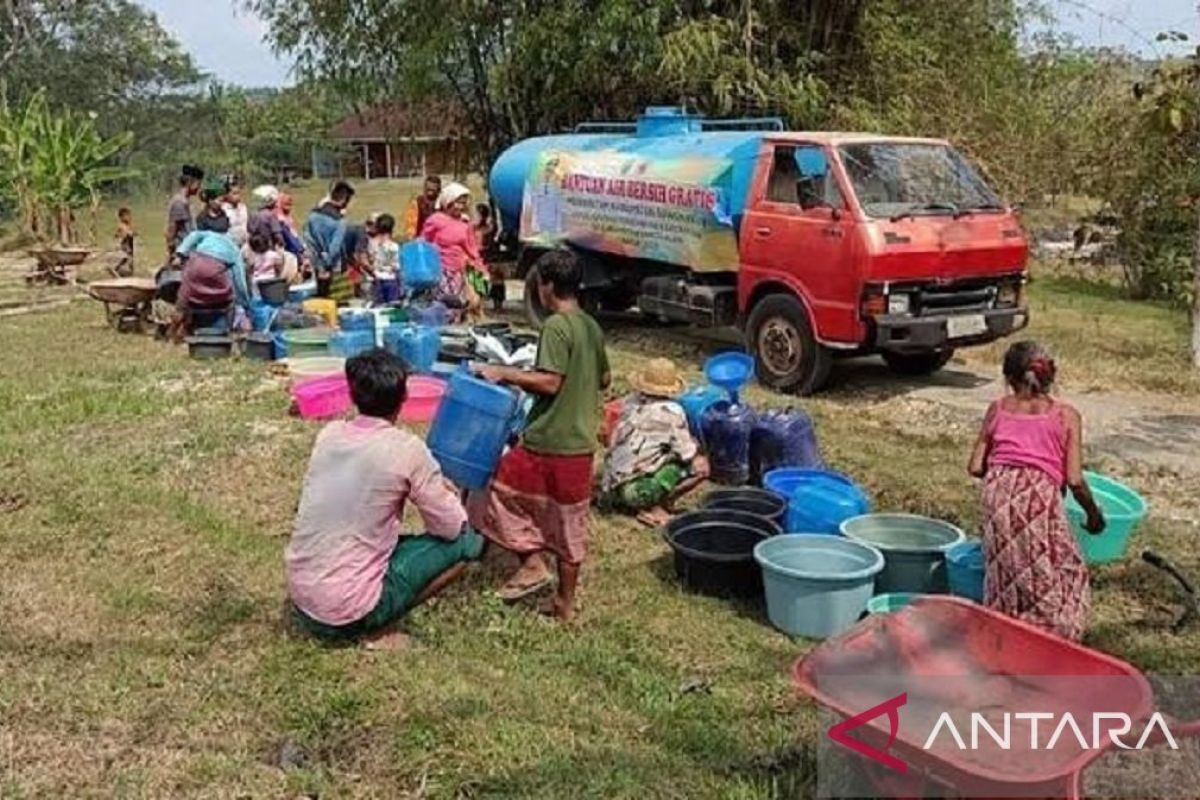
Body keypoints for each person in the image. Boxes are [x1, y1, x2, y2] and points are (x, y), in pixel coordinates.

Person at [286, 349, 484, 649]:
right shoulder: (406, 449)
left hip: (301, 600)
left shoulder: (329, 435)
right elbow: (450, 527)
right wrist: (446, 494)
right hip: (345, 615)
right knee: (467, 543)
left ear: (353, 395)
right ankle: (377, 630)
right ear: (404, 397)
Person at [469, 251, 610, 621]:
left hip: (548, 438)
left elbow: (550, 382)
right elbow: (605, 379)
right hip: (580, 445)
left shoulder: (555, 326)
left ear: (546, 286)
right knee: (569, 523)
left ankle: (531, 561)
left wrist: (505, 373)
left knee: (494, 490)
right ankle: (564, 603)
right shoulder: (590, 327)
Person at [968, 341, 1105, 642]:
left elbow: (976, 466)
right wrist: (1095, 516)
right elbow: (1075, 480)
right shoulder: (1066, 416)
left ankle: (1005, 634)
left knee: (1006, 568)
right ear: (1050, 377)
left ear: (1008, 378)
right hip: (1038, 498)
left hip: (998, 495)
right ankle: (1053, 638)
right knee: (1064, 569)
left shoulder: (997, 409)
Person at [601, 359, 710, 528]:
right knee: (700, 467)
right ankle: (654, 507)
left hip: (610, 483)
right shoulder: (671, 411)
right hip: (635, 491)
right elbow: (687, 453)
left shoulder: (629, 401)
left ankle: (626, 502)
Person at [171, 228, 251, 340]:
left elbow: (193, 235)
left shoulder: (209, 234)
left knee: (183, 300)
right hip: (214, 271)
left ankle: (172, 332)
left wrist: (180, 253)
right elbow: (240, 281)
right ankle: (227, 332)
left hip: (194, 264)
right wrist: (246, 304)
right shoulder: (235, 250)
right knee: (230, 299)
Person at [421, 182, 484, 320]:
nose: (460, 207)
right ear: (448, 202)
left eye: (463, 204)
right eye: (457, 203)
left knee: (459, 307)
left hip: (458, 273)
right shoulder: (436, 220)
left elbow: (471, 248)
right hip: (440, 271)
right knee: (442, 306)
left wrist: (479, 267)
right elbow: (423, 243)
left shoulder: (465, 224)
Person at [304, 180, 354, 298]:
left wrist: (319, 264)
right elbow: (335, 248)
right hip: (334, 268)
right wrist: (326, 266)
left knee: (321, 299)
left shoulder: (313, 216)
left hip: (317, 264)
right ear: (344, 198)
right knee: (337, 302)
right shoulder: (340, 222)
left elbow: (309, 241)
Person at [165, 164, 203, 260]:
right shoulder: (179, 203)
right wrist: (172, 253)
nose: (199, 188)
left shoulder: (187, 202)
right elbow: (172, 230)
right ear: (190, 183)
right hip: (182, 252)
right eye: (198, 184)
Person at [370, 213, 402, 305]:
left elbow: (371, 259)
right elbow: (397, 266)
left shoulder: (373, 244)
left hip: (377, 279)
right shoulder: (394, 246)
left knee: (379, 306)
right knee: (392, 306)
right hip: (391, 279)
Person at [222, 180, 250, 246]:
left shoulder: (243, 207)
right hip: (229, 244)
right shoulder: (223, 209)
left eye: (238, 193)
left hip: (244, 244)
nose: (238, 196)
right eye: (234, 193)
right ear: (226, 195)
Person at [112, 207, 135, 277]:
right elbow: (123, 234)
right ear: (121, 217)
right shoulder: (122, 225)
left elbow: (116, 234)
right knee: (127, 258)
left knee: (131, 260)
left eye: (130, 215)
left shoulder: (128, 225)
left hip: (130, 245)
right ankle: (116, 268)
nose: (130, 217)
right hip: (126, 245)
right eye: (127, 216)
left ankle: (130, 273)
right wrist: (127, 234)